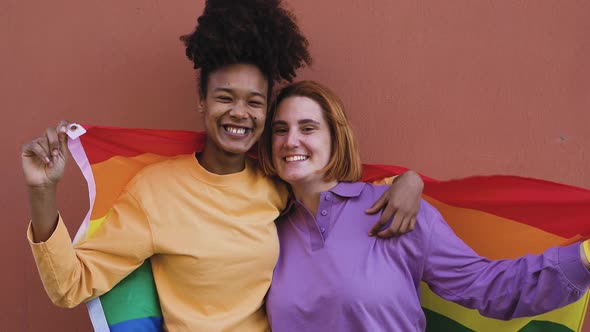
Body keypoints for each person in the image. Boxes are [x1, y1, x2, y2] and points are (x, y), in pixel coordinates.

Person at [21, 1, 424, 331]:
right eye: (224, 97)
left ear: (267, 110)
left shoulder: (278, 181)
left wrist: (410, 181)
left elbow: (347, 189)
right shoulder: (155, 192)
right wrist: (42, 192)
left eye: (254, 101)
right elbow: (70, 286)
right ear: (202, 100)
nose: (239, 113)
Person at [259, 80, 590, 332]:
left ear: (335, 139)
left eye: (308, 128)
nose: (290, 141)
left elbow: (488, 286)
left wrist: (584, 259)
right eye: (280, 130)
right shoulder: (266, 226)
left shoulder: (394, 209)